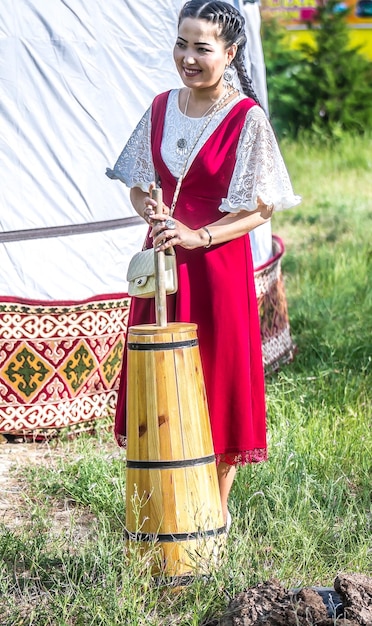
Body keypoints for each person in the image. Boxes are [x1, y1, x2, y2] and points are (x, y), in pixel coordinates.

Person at [106, 0, 300, 528]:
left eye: (202, 47)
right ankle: (162, 508)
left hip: (216, 269)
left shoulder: (246, 118)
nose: (188, 57)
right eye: (181, 43)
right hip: (165, 269)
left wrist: (200, 234)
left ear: (230, 53)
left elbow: (259, 208)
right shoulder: (162, 106)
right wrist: (150, 208)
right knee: (161, 380)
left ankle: (214, 516)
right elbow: (138, 184)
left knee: (217, 378)